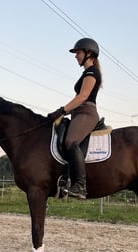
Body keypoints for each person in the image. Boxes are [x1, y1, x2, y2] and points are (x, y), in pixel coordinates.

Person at [47, 38, 102, 199]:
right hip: (78, 113)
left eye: (78, 52)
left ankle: (80, 186)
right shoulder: (86, 73)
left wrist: (61, 111)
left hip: (86, 113)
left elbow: (83, 97)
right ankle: (64, 178)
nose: (76, 56)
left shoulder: (92, 72)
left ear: (89, 53)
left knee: (71, 141)